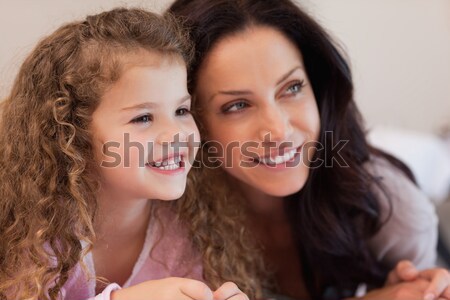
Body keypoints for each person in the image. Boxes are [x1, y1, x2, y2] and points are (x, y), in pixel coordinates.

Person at [167, 0, 450, 299]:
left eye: (291, 88)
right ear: (191, 119)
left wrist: (404, 288)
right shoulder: (167, 223)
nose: (279, 131)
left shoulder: (390, 208)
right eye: (237, 105)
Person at [0, 8, 254, 300]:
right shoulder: (34, 234)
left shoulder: (189, 233)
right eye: (143, 118)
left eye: (181, 110)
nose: (177, 135)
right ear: (74, 134)